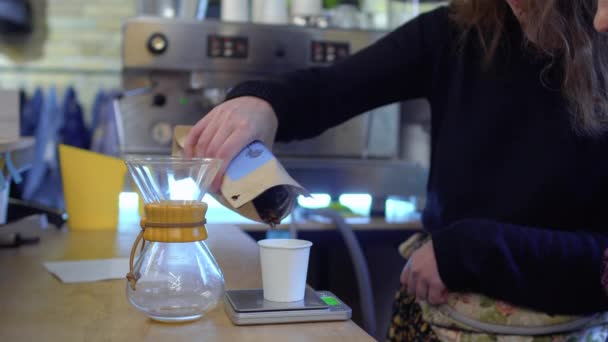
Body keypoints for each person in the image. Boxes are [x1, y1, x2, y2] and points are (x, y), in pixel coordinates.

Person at [185, 0, 608, 339]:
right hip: (437, 322)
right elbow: (330, 89)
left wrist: (469, 250)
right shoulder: (456, 31)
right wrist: (263, 104)